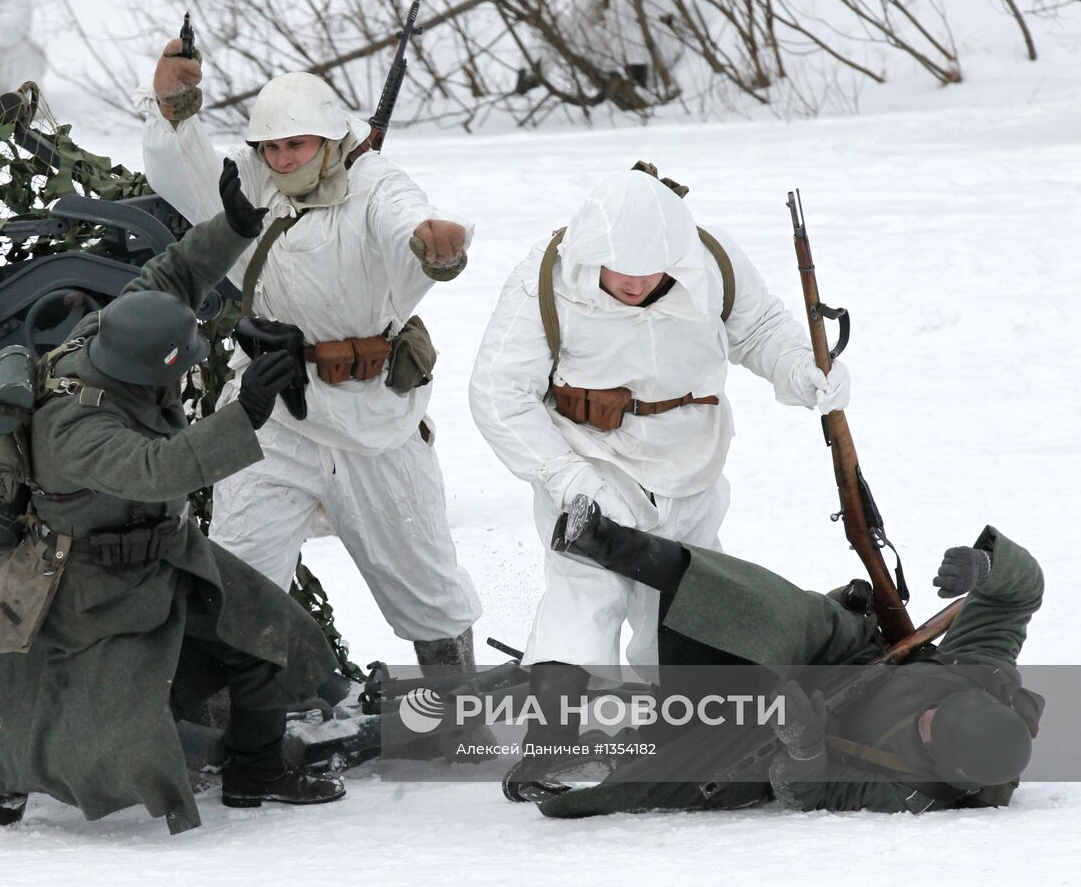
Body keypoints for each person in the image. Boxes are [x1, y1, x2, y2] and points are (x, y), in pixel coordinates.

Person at [0, 160, 345, 834]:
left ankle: (257, 769)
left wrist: (232, 226)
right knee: (90, 719)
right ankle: (2, 778)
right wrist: (248, 413)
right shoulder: (76, 428)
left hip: (165, 554)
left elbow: (171, 279)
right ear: (155, 374)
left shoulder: (107, 333)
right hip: (88, 588)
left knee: (267, 636)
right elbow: (160, 467)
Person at [468, 165, 850, 763]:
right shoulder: (542, 279)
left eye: (653, 268)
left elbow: (761, 328)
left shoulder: (713, 261)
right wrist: (566, 477)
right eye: (622, 268)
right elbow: (497, 393)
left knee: (689, 602)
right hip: (590, 463)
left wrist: (799, 368)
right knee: (584, 592)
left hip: (690, 462)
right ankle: (550, 746)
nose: (637, 281)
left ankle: (681, 740)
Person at [136, 40, 483, 669]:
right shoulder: (250, 184)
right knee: (238, 572)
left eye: (295, 144)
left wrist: (435, 245)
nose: (282, 157)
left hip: (373, 418)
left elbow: (403, 216)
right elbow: (184, 175)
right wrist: (174, 107)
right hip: (272, 413)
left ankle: (455, 712)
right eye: (271, 146)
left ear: (328, 139)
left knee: (423, 580)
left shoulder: (374, 182)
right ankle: (243, 730)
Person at [520, 495, 1043, 815]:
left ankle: (576, 765)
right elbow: (1020, 595)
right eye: (942, 706)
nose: (928, 713)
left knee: (679, 767)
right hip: (841, 655)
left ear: (941, 764)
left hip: (791, 729)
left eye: (931, 727)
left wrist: (805, 747)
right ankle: (611, 543)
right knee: (775, 614)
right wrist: (986, 570)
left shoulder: (911, 791)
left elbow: (811, 796)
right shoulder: (985, 680)